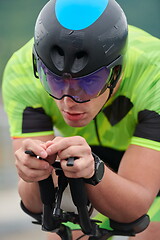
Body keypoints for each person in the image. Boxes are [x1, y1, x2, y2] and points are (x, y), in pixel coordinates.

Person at [2, 0, 160, 239]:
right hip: (89, 157)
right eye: (54, 81)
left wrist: (94, 170)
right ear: (38, 68)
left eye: (88, 83)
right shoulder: (21, 73)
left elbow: (132, 210)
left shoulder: (154, 74)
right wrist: (34, 173)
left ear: (116, 73)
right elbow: (35, 205)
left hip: (148, 170)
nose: (68, 101)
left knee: (150, 232)